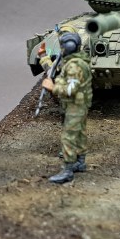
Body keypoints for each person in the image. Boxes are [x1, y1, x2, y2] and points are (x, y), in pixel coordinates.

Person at [41, 32, 93, 184]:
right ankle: (80, 162)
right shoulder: (75, 61)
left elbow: (71, 90)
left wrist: (53, 87)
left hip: (75, 106)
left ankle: (68, 170)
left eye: (62, 46)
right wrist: (44, 57)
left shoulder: (74, 66)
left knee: (68, 136)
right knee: (80, 133)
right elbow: (59, 73)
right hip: (79, 104)